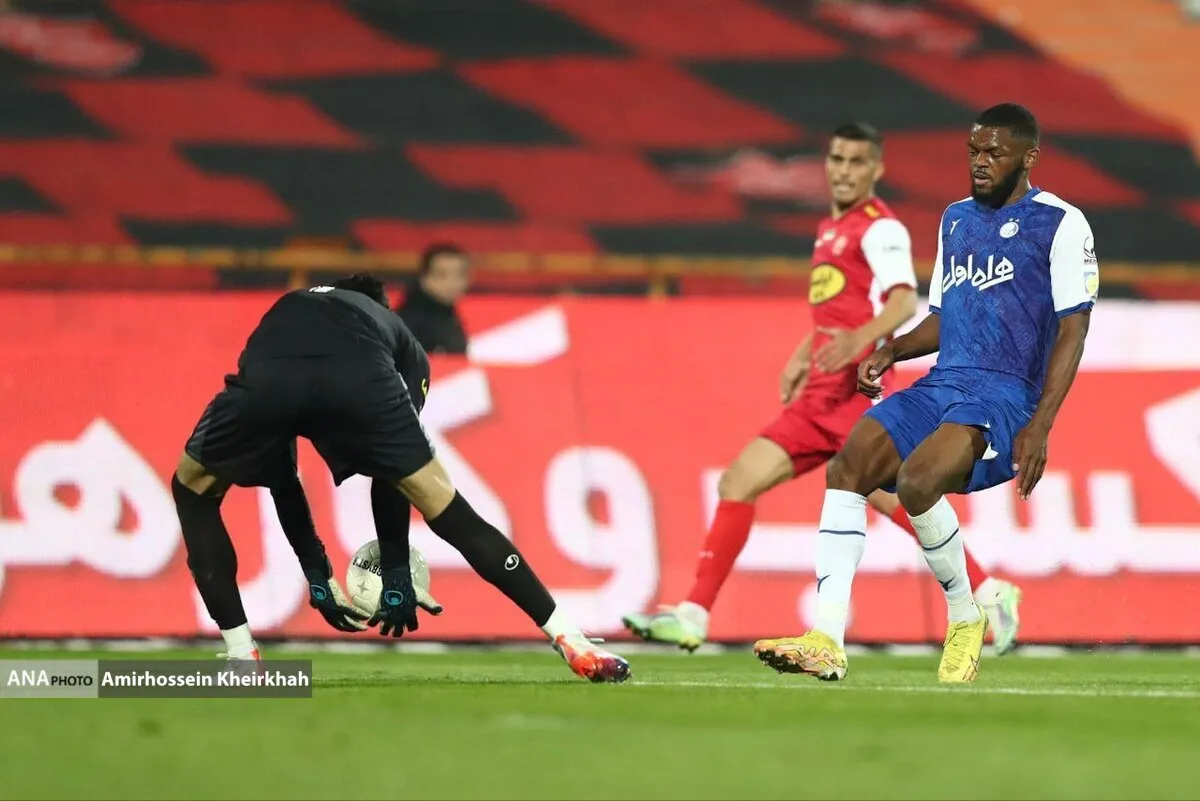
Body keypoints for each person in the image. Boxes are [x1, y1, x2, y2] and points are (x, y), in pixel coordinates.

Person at [623, 123, 1021, 653]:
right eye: (837, 159)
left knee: (898, 499)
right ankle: (693, 614)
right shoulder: (831, 227)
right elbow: (838, 310)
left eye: (857, 162)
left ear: (876, 169)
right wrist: (801, 356)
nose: (844, 171)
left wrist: (860, 340)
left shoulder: (881, 229)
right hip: (817, 399)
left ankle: (989, 592)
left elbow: (903, 301)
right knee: (739, 482)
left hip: (858, 394)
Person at [755, 103, 1098, 683]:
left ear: (1029, 157)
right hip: (944, 380)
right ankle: (826, 638)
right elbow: (944, 316)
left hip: (1004, 396)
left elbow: (1074, 329)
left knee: (917, 480)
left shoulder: (1062, 224)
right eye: (974, 151)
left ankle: (965, 615)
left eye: (995, 153)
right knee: (849, 466)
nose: (980, 162)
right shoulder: (955, 219)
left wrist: (1041, 424)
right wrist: (891, 351)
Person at [172, 273, 630, 683]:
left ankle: (242, 656)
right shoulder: (398, 334)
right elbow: (393, 473)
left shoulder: (285, 311)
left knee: (193, 489)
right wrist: (396, 573)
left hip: (271, 379)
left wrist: (316, 571)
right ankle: (571, 639)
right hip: (359, 377)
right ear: (381, 307)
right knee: (449, 510)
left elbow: (281, 474)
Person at [396, 243, 471, 355]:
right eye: (441, 275)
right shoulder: (408, 323)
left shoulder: (447, 314)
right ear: (424, 277)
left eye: (459, 275)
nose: (452, 283)